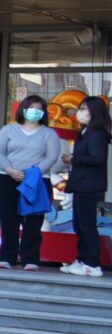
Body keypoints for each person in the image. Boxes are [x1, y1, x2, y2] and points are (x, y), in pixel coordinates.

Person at [0, 94, 63, 270]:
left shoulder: (49, 133)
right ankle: (7, 257)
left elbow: (52, 156)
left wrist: (33, 172)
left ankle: (30, 258)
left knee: (33, 221)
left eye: (39, 109)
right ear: (23, 110)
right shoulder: (8, 130)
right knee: (9, 220)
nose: (35, 112)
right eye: (32, 108)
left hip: (37, 181)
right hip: (7, 178)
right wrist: (9, 169)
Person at [63, 96, 107, 277]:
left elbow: (98, 158)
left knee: (87, 225)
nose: (79, 112)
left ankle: (92, 263)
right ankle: (82, 259)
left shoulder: (97, 134)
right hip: (81, 184)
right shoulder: (83, 133)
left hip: (89, 185)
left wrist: (75, 159)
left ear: (94, 112)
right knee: (79, 224)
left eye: (83, 109)